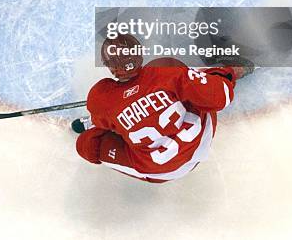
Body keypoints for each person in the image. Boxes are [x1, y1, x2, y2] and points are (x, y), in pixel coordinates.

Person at [72, 33, 254, 183]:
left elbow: (105, 113)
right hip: (199, 141)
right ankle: (235, 69)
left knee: (86, 145)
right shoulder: (166, 69)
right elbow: (220, 98)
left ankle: (93, 123)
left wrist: (110, 115)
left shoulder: (101, 98)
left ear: (110, 67)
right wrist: (225, 75)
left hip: (161, 170)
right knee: (196, 82)